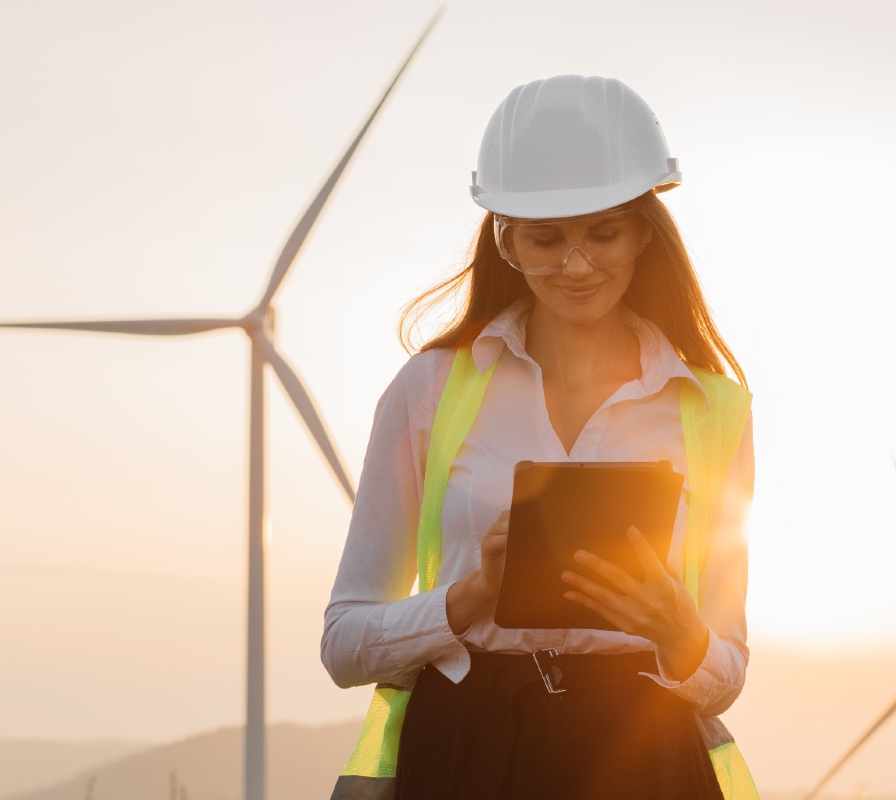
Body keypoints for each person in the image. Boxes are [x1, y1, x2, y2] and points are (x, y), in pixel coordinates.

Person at [323, 75, 758, 800]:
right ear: (505, 239)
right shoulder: (429, 390)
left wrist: (679, 632)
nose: (577, 265)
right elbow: (344, 644)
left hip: (643, 758)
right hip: (468, 751)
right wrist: (471, 597)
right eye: (546, 239)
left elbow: (726, 673)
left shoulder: (714, 411)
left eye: (604, 234)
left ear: (645, 233)